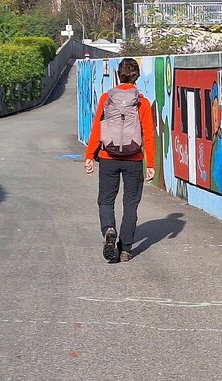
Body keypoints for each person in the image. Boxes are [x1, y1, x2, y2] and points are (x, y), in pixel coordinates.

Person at [84, 58, 155, 263]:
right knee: (131, 203)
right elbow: (148, 135)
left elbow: (97, 129)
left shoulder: (106, 98)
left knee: (106, 200)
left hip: (108, 157)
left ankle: (109, 228)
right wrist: (150, 164)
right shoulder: (142, 102)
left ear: (118, 74)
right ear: (137, 77)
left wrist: (89, 156)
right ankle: (125, 250)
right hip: (134, 159)